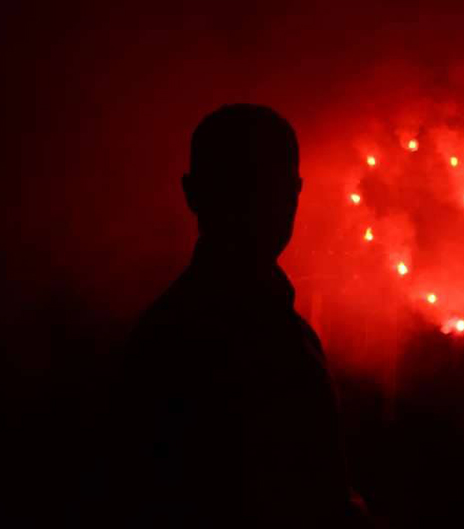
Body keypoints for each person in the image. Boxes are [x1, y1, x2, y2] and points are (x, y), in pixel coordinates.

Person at [119, 104, 368, 528]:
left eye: (272, 184)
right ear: (194, 192)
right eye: (243, 183)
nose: (260, 203)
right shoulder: (258, 338)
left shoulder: (160, 332)